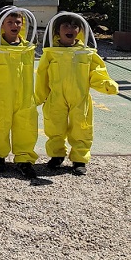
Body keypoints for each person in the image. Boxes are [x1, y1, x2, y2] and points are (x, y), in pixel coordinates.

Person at [35, 12, 119, 175]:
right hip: (55, 98)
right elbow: (42, 76)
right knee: (54, 126)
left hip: (80, 98)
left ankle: (80, 159)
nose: (70, 29)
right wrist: (38, 97)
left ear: (80, 31)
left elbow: (97, 74)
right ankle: (56, 155)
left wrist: (106, 85)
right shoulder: (51, 53)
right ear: (57, 31)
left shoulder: (87, 53)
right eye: (66, 25)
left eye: (75, 26)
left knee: (82, 128)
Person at [0, 7, 40, 179]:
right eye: (10, 22)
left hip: (25, 98)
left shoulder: (27, 49)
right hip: (1, 97)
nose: (15, 25)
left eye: (18, 22)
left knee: (26, 128)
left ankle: (24, 159)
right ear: (1, 25)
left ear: (23, 24)